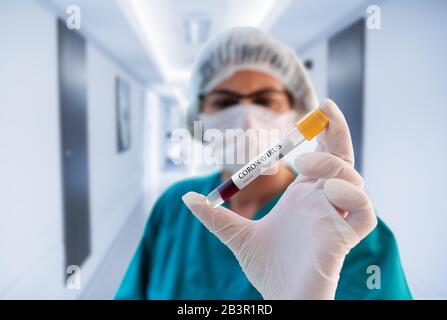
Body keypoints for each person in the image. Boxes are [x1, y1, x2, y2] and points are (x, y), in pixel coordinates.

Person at [115, 27, 412, 299]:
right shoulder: (175, 207)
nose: (246, 119)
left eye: (265, 100)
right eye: (224, 101)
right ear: (198, 117)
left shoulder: (345, 227)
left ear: (297, 111)